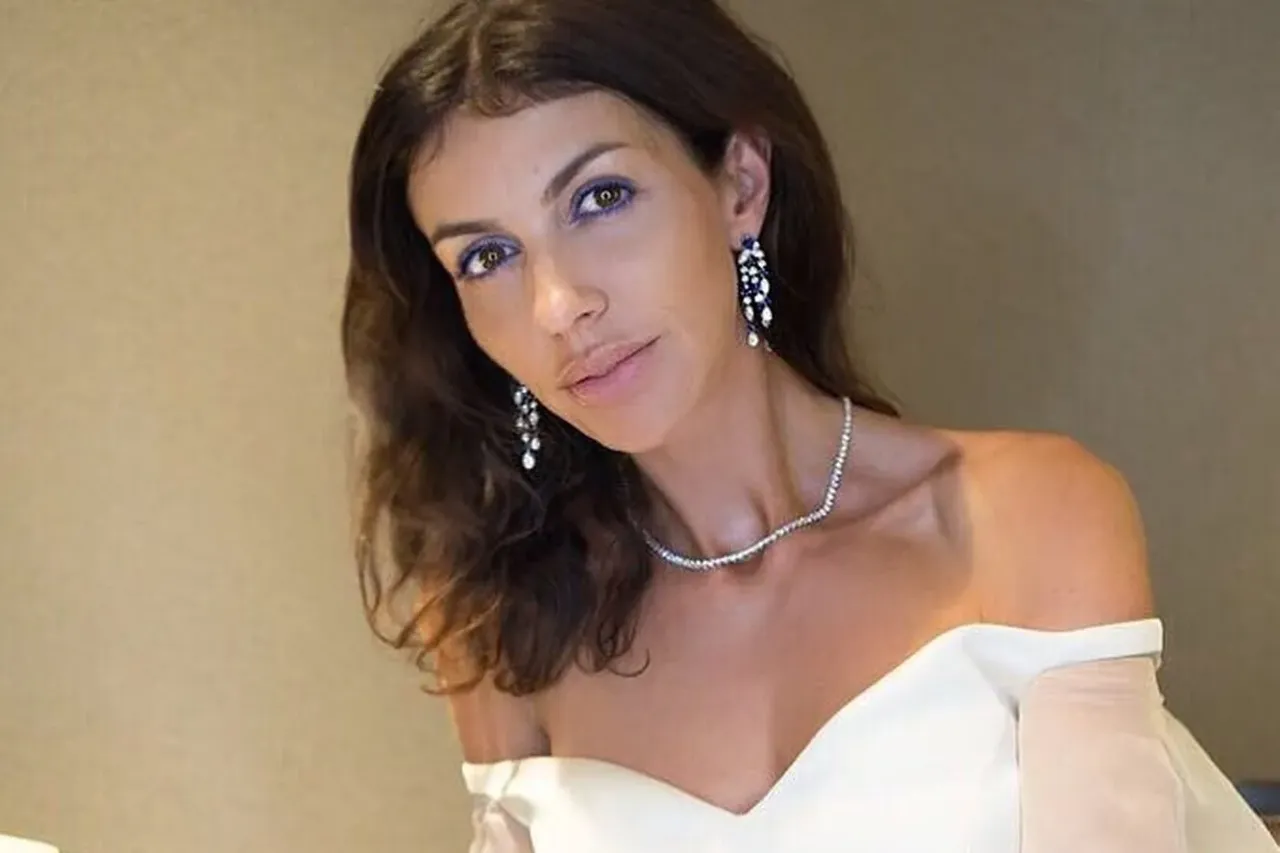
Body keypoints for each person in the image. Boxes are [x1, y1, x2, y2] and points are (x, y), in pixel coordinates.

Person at [340, 0, 1277, 850]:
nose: (558, 305)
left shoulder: (1027, 515)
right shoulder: (498, 618)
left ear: (741, 185)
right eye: (488, 256)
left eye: (600, 198)